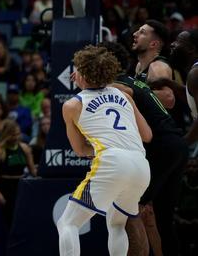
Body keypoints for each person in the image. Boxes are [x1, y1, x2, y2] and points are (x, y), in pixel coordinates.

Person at [56, 45, 152, 256]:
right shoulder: (124, 95)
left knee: (68, 223)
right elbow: (147, 135)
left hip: (112, 161)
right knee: (116, 224)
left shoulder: (72, 105)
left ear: (82, 74)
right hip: (140, 164)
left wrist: (103, 145)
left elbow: (80, 150)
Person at [101, 41, 188, 256]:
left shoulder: (118, 85)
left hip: (161, 147)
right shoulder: (133, 81)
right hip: (175, 145)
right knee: (159, 217)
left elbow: (123, 93)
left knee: (131, 210)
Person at [0, 120, 36, 246]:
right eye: (13, 134)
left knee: (23, 218)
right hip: (6, 186)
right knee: (8, 221)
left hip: (21, 184)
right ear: (6, 135)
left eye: (18, 134)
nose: (16, 137)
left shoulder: (24, 148)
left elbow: (33, 170)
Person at [132, 20, 177, 109]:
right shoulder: (139, 65)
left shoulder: (158, 66)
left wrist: (131, 93)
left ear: (153, 44)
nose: (134, 34)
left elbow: (169, 99)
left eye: (142, 32)